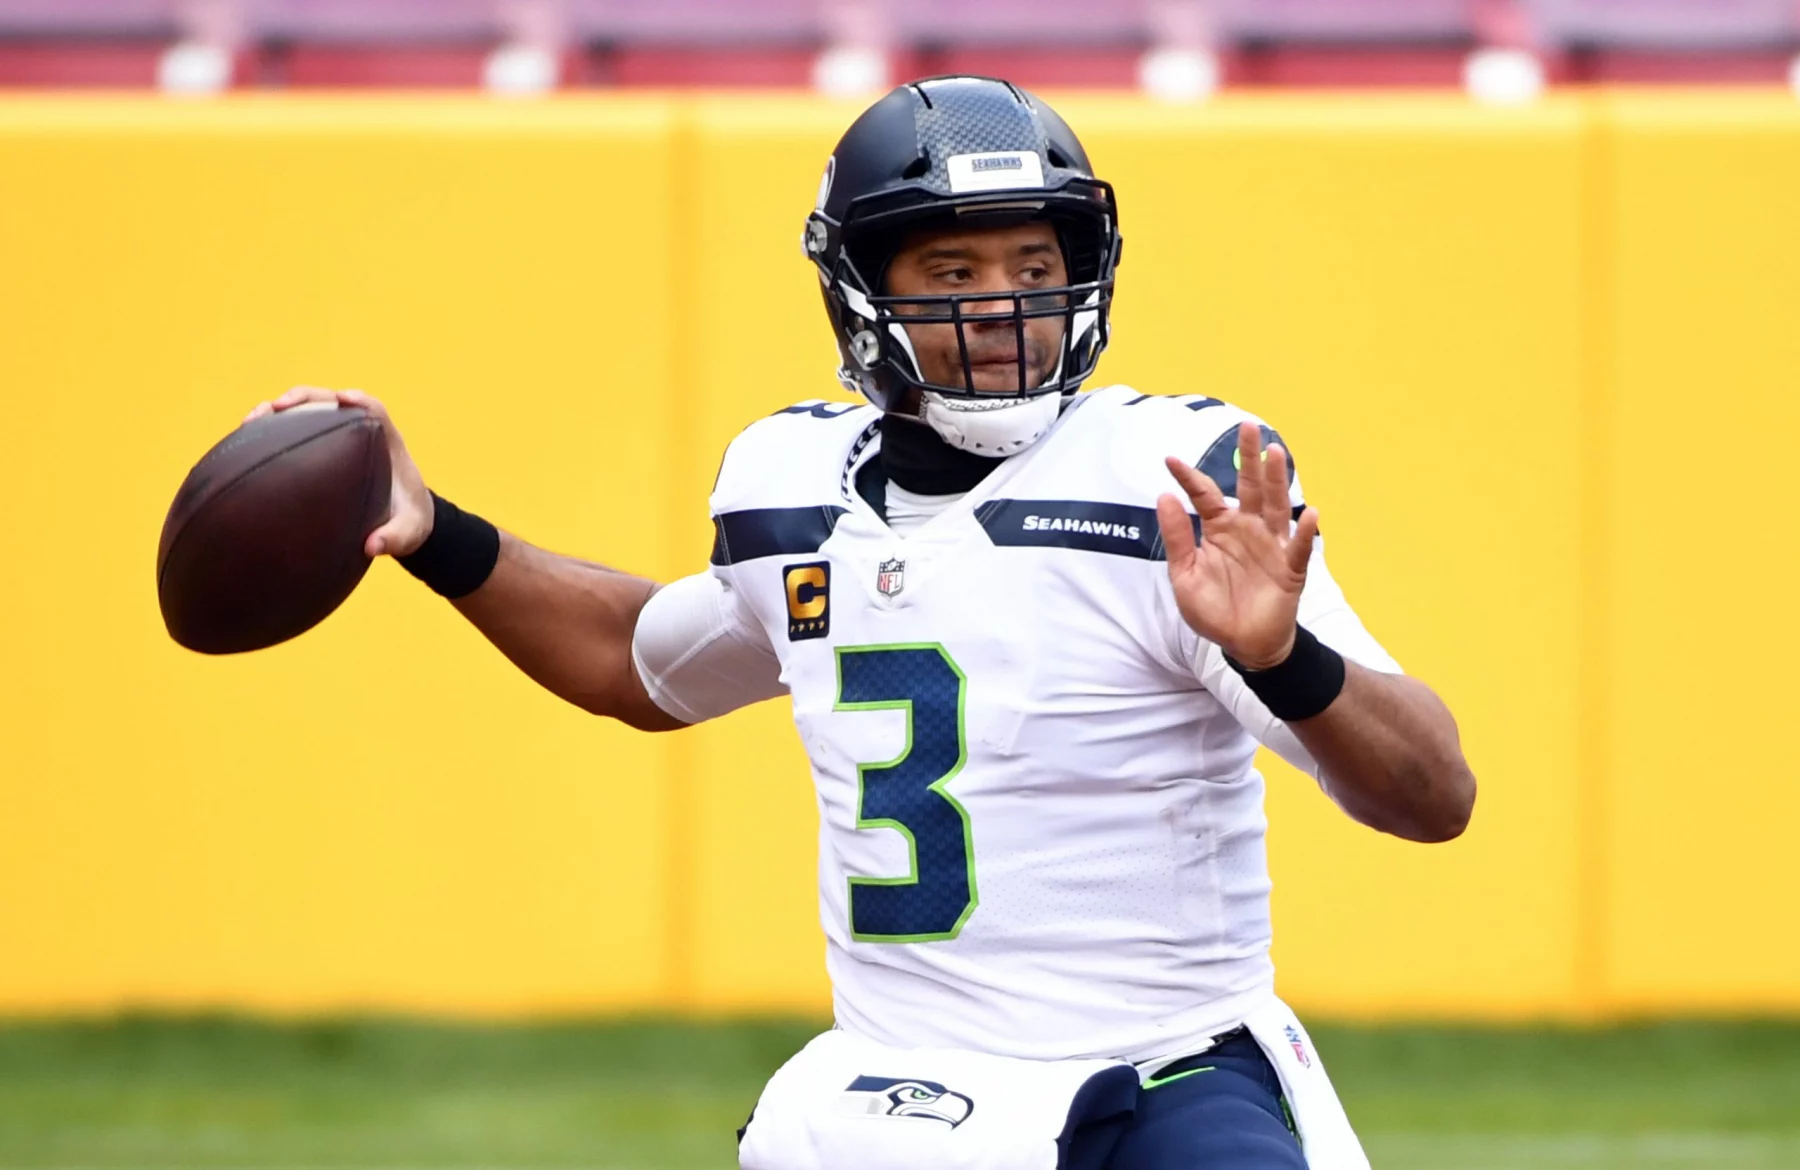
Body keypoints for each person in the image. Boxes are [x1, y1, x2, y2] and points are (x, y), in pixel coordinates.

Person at [251, 75, 1475, 1170]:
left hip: (1165, 1067)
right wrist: (434, 531)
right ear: (858, 291)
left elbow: (1434, 798)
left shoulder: (1172, 482)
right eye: (954, 274)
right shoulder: (793, 491)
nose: (1005, 307)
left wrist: (1283, 657)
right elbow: (638, 663)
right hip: (909, 1082)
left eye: (1037, 270)